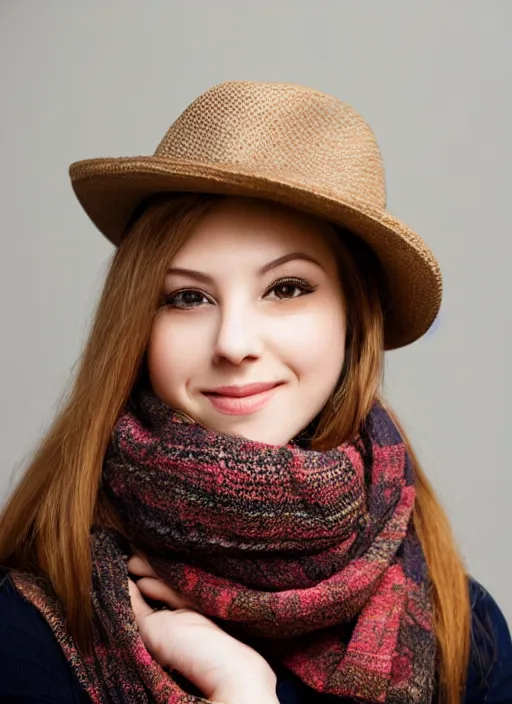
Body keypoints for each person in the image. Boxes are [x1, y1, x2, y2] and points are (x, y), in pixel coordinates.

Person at [0, 81, 510, 704]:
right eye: (188, 296)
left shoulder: (464, 627)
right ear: (136, 322)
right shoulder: (28, 629)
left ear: (355, 315)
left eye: (287, 288)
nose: (234, 342)